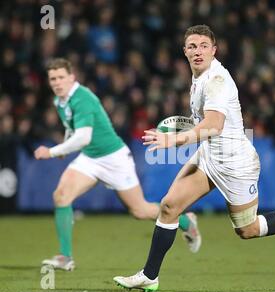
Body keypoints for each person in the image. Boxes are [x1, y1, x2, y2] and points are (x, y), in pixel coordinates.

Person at [113, 25, 275, 292]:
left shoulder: (217, 80)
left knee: (247, 230)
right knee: (170, 206)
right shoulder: (198, 76)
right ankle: (150, 276)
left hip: (235, 165)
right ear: (185, 52)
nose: (198, 51)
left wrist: (172, 140)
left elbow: (214, 125)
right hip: (209, 156)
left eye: (204, 46)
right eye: (192, 46)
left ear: (213, 50)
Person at [34, 58, 201, 271]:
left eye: (60, 77)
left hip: (114, 158)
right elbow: (74, 130)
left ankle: (186, 221)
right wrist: (66, 144)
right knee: (61, 196)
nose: (57, 82)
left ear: (71, 78)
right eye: (52, 79)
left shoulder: (82, 98)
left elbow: (84, 137)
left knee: (139, 211)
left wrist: (53, 151)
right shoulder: (60, 101)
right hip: (90, 158)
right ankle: (65, 257)